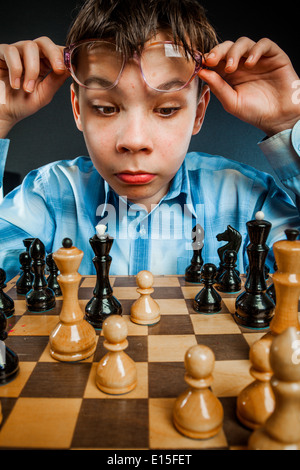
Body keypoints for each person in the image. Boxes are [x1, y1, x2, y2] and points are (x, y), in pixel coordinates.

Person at [0, 0, 299, 282]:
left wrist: (287, 124)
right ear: (78, 109)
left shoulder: (248, 201)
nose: (134, 140)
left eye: (166, 109)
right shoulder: (47, 196)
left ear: (198, 112)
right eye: (105, 108)